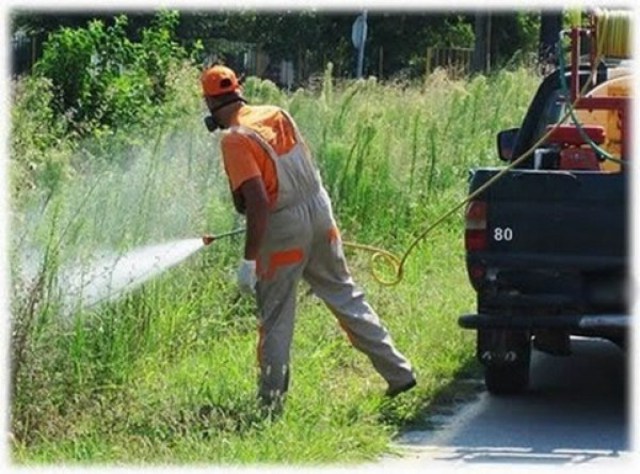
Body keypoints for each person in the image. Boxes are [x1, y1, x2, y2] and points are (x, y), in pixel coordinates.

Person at [200, 64, 416, 410]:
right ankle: (399, 372)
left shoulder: (235, 139)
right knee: (346, 294)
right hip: (319, 209)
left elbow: (256, 202)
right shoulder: (276, 113)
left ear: (209, 103)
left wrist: (248, 261)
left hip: (282, 225)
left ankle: (270, 403)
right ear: (239, 89)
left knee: (276, 314)